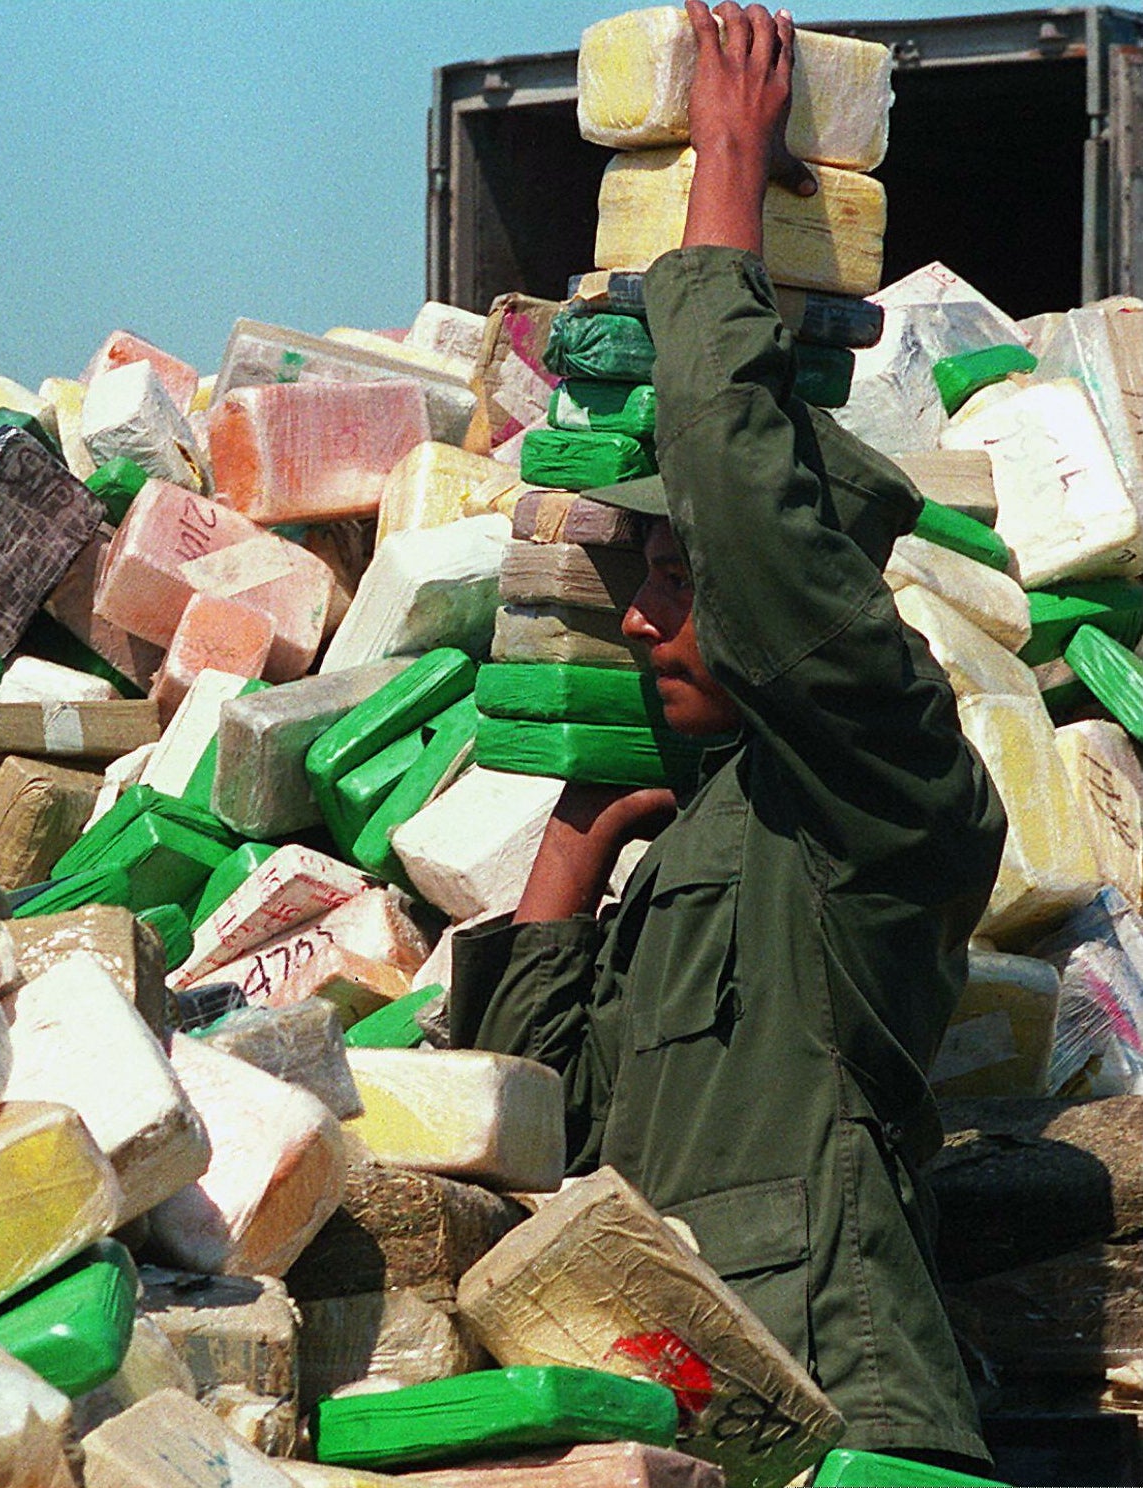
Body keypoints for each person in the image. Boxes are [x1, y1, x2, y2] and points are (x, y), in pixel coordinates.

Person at [445, 1, 1004, 1471]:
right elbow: (525, 1126)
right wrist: (576, 838)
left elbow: (757, 523)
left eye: (674, 584)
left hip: (845, 1421)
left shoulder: (882, 779)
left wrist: (724, 185)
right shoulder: (704, 825)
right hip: (671, 1421)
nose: (636, 621)